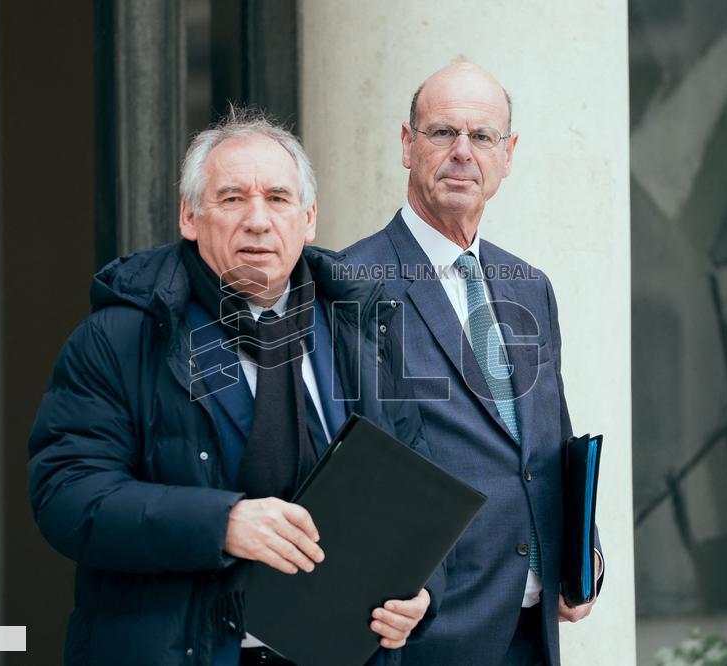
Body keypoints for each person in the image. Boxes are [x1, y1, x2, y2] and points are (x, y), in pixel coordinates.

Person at [28, 109, 438, 666]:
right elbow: (66, 494)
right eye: (231, 199)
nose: (258, 220)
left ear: (309, 217)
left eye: (277, 198)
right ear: (190, 217)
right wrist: (221, 524)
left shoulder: (363, 330)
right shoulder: (123, 336)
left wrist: (419, 596)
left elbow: (415, 497)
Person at [341, 63, 603, 666]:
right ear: (407, 145)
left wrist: (580, 550)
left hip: (535, 634)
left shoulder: (529, 286)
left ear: (507, 156)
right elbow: (355, 470)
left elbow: (546, 442)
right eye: (441, 133)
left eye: (482, 137)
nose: (463, 153)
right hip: (431, 636)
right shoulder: (351, 287)